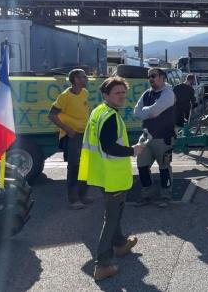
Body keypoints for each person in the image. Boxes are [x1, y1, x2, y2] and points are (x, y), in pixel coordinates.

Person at [78, 76, 144, 281]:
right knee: (111, 218)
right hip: (112, 176)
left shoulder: (99, 111)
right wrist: (132, 151)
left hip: (102, 174)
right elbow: (109, 147)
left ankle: (120, 244)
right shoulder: (110, 117)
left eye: (123, 92)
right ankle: (102, 264)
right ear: (106, 95)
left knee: (116, 211)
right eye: (117, 92)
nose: (122, 96)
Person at [48, 68, 93, 209]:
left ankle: (83, 196)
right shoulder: (65, 96)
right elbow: (52, 115)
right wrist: (67, 129)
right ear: (76, 80)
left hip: (85, 134)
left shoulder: (85, 93)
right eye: (83, 77)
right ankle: (74, 200)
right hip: (73, 136)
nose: (86, 79)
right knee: (74, 167)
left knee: (85, 165)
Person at [133, 67, 176, 207]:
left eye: (154, 75)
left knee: (164, 168)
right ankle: (146, 196)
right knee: (142, 167)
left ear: (162, 77)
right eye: (149, 76)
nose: (150, 78)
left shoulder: (168, 94)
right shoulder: (146, 94)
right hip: (145, 136)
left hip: (163, 137)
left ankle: (166, 197)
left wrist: (147, 110)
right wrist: (149, 111)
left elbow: (153, 110)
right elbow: (136, 112)